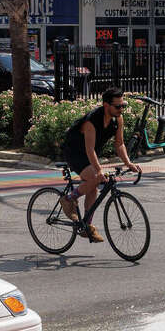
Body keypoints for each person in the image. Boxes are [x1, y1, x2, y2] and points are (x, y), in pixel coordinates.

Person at [60, 86, 138, 242]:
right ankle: (68, 199)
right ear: (106, 105)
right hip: (75, 152)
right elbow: (89, 150)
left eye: (123, 105)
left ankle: (86, 226)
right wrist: (99, 170)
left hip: (90, 153)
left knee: (93, 187)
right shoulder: (92, 121)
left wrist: (128, 163)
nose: (121, 109)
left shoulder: (118, 119)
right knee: (95, 176)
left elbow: (119, 144)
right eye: (118, 106)